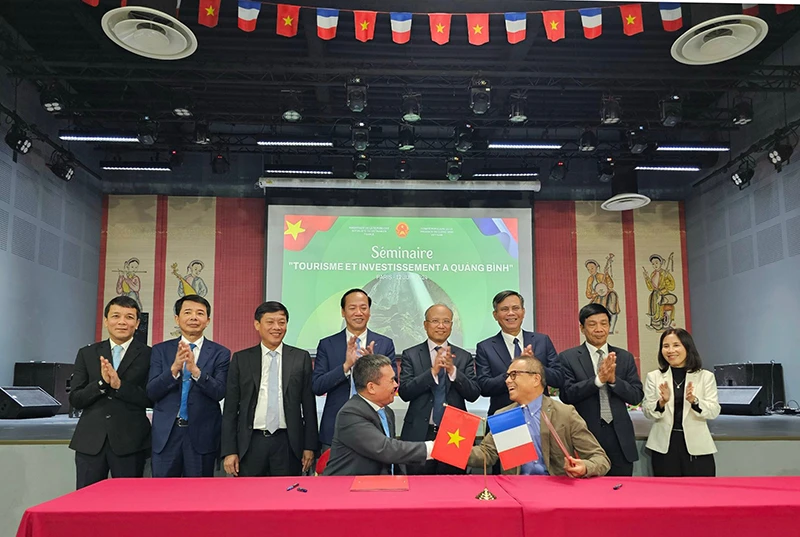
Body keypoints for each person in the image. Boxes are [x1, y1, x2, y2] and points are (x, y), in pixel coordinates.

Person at [468, 356, 610, 477]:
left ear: (536, 379)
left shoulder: (564, 414)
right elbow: (486, 454)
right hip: (516, 490)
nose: (507, 381)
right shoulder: (505, 416)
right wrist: (456, 448)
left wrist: (584, 467)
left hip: (556, 489)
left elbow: (600, 458)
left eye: (514, 375)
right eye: (507, 376)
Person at [221, 301, 318, 477]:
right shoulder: (241, 359)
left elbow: (309, 406)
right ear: (257, 324)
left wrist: (309, 446)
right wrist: (229, 450)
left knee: (287, 492)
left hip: (288, 443)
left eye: (282, 322)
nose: (277, 327)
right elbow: (230, 409)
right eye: (270, 322)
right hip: (251, 442)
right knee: (248, 492)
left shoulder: (300, 357)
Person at [68, 296, 152, 489]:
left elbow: (151, 398)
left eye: (129, 317)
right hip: (90, 441)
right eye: (116, 316)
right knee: (86, 500)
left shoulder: (149, 354)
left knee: (129, 500)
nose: (122, 322)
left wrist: (119, 385)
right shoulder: (87, 353)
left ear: (137, 323)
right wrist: (101, 383)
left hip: (131, 442)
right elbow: (76, 398)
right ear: (106, 321)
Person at [147, 295, 230, 477]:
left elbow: (219, 392)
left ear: (207, 320)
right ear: (177, 319)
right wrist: (174, 369)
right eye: (188, 312)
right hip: (167, 435)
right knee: (163, 491)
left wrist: (195, 371)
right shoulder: (160, 350)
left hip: (202, 435)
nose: (194, 317)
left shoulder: (220, 353)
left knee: (199, 491)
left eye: (200, 313)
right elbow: (152, 391)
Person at [559, 304, 643, 476]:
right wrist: (598, 381)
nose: (599, 329)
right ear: (582, 328)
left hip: (620, 439)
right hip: (585, 436)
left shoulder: (624, 357)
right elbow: (567, 394)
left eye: (604, 323)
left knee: (621, 489)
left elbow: (636, 396)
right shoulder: (568, 357)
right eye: (592, 324)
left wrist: (613, 380)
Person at [398, 304, 480, 475]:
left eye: (446, 321)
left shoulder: (463, 356)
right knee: (418, 485)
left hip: (455, 434)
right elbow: (405, 392)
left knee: (453, 484)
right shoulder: (411, 354)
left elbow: (473, 394)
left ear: (451, 325)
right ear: (425, 324)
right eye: (435, 321)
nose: (441, 326)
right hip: (420, 433)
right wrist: (432, 373)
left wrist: (453, 371)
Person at [312, 288, 396, 450]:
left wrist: (373, 367)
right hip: (336, 428)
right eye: (352, 308)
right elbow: (317, 386)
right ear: (343, 312)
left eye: (363, 308)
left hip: (374, 428)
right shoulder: (328, 344)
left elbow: (393, 385)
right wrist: (346, 366)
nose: (359, 312)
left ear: (369, 312)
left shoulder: (384, 344)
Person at [323, 353, 432, 476]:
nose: (396, 385)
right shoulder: (350, 414)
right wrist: (431, 448)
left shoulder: (387, 412)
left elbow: (392, 460)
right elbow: (385, 449)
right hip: (348, 485)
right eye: (391, 380)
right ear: (371, 387)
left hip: (380, 483)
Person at [643, 328, 720, 477]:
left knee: (701, 489)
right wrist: (661, 403)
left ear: (687, 347)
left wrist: (695, 401)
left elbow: (714, 411)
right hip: (664, 447)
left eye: (676, 345)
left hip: (697, 446)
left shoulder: (705, 376)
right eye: (666, 346)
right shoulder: (654, 377)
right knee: (668, 490)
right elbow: (647, 411)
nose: (670, 350)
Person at [475, 290, 562, 417]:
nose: (511, 313)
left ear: (523, 312)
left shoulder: (542, 341)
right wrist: (515, 372)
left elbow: (558, 379)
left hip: (541, 416)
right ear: (495, 315)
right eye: (504, 309)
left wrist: (534, 366)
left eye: (515, 308)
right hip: (505, 416)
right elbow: (484, 387)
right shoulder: (485, 347)